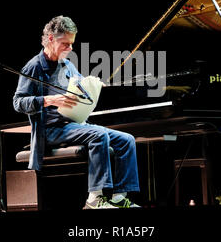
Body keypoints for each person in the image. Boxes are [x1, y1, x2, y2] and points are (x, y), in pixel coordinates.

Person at [13, 15, 140, 209]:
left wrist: (93, 86)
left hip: (73, 124)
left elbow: (81, 88)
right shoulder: (34, 67)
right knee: (99, 135)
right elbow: (18, 102)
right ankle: (94, 199)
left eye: (72, 44)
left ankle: (118, 198)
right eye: (66, 44)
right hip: (51, 130)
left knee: (126, 140)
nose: (70, 49)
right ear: (50, 39)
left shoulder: (68, 65)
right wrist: (48, 100)